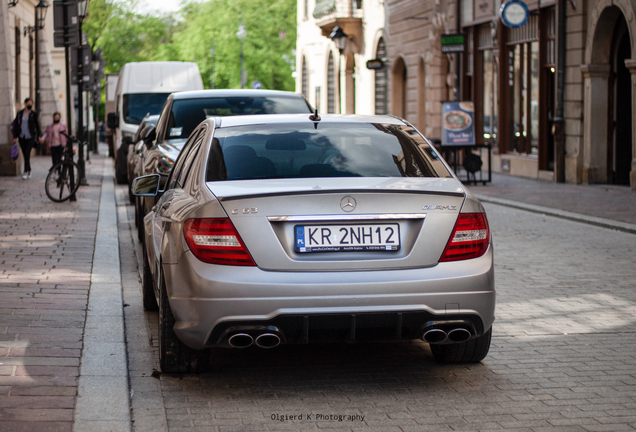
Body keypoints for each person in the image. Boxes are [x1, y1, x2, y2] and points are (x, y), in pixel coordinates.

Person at [11, 98, 43, 179]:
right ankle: (29, 170)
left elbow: (37, 125)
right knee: (25, 154)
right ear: (25, 103)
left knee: (27, 153)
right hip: (22, 137)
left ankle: (25, 172)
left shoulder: (33, 114)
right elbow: (16, 125)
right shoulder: (20, 113)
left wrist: (39, 136)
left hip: (30, 137)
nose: (30, 105)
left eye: (31, 104)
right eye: (29, 103)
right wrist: (14, 137)